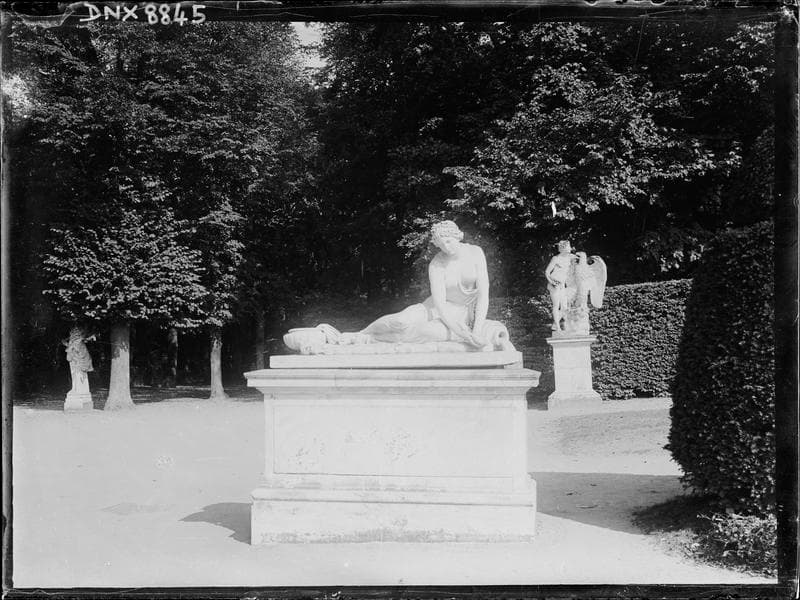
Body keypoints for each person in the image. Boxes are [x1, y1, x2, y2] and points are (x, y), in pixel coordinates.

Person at [353, 220, 491, 348]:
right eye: (441, 245)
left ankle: (375, 339)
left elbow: (483, 295)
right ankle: (362, 334)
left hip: (461, 312)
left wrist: (476, 331)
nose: (446, 248)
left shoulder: (475, 253)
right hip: (434, 307)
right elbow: (440, 305)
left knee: (425, 332)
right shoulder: (437, 264)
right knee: (400, 321)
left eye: (448, 241)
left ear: (457, 236)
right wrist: (461, 333)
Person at [544, 240, 577, 331]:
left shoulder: (570, 257)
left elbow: (581, 258)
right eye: (568, 246)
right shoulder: (556, 258)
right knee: (556, 305)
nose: (570, 248)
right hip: (554, 284)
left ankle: (558, 325)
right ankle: (558, 327)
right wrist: (552, 282)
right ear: (563, 248)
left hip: (562, 285)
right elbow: (547, 272)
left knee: (565, 307)